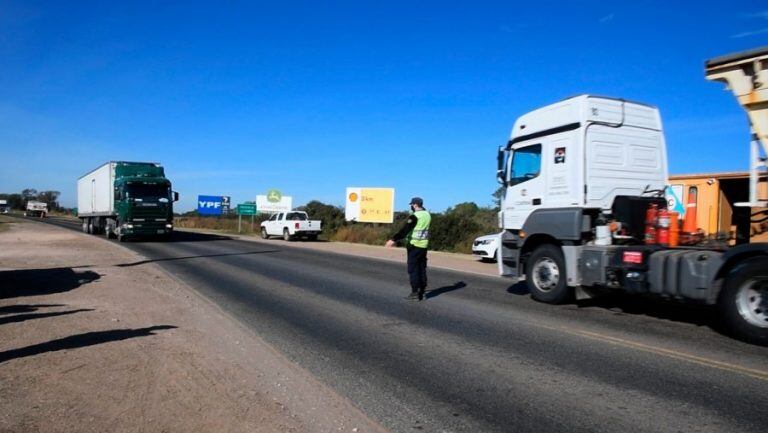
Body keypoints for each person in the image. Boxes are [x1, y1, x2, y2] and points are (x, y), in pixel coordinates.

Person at [385, 197, 432, 301]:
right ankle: (422, 292)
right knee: (421, 268)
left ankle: (415, 293)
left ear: (415, 205)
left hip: (414, 245)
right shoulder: (427, 215)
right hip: (423, 246)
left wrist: (393, 239)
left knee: (413, 269)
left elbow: (405, 229)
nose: (411, 206)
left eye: (412, 205)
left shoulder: (415, 216)